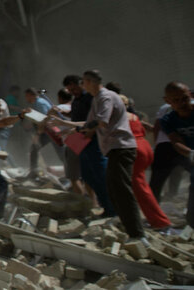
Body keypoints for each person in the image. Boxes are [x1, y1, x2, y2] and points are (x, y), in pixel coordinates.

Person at [80, 70, 143, 241]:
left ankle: (137, 234)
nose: (82, 86)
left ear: (90, 82)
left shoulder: (105, 97)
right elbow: (88, 124)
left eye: (83, 82)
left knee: (122, 190)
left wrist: (83, 128)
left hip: (121, 147)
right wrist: (65, 125)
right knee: (113, 189)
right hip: (113, 149)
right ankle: (126, 225)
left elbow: (101, 121)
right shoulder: (97, 99)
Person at [53, 74, 115, 216]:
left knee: (99, 174)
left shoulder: (91, 98)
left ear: (81, 84)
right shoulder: (77, 100)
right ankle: (105, 206)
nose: (72, 91)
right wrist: (63, 113)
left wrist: (90, 133)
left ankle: (112, 208)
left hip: (92, 140)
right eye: (70, 90)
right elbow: (77, 116)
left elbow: (94, 120)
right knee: (88, 176)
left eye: (74, 88)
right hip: (81, 141)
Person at [121, 95, 172, 230]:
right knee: (141, 187)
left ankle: (160, 221)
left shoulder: (118, 117)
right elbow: (143, 131)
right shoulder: (133, 116)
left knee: (141, 189)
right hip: (144, 148)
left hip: (134, 150)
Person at [159, 82, 194, 227]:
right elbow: (176, 142)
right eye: (176, 100)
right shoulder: (168, 120)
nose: (181, 103)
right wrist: (192, 153)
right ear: (168, 101)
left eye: (184, 98)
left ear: (190, 96)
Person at [151, 101, 190, 201]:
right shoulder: (166, 109)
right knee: (159, 178)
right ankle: (157, 205)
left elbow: (156, 126)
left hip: (174, 145)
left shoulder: (165, 107)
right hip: (169, 145)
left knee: (161, 178)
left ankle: (170, 195)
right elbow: (158, 126)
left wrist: (157, 143)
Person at [25, 87, 57, 175]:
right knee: (34, 149)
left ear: (32, 95)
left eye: (27, 96)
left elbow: (44, 120)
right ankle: (34, 172)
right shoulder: (36, 103)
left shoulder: (40, 103)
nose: (26, 98)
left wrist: (38, 134)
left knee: (34, 148)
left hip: (49, 131)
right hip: (47, 130)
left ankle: (34, 172)